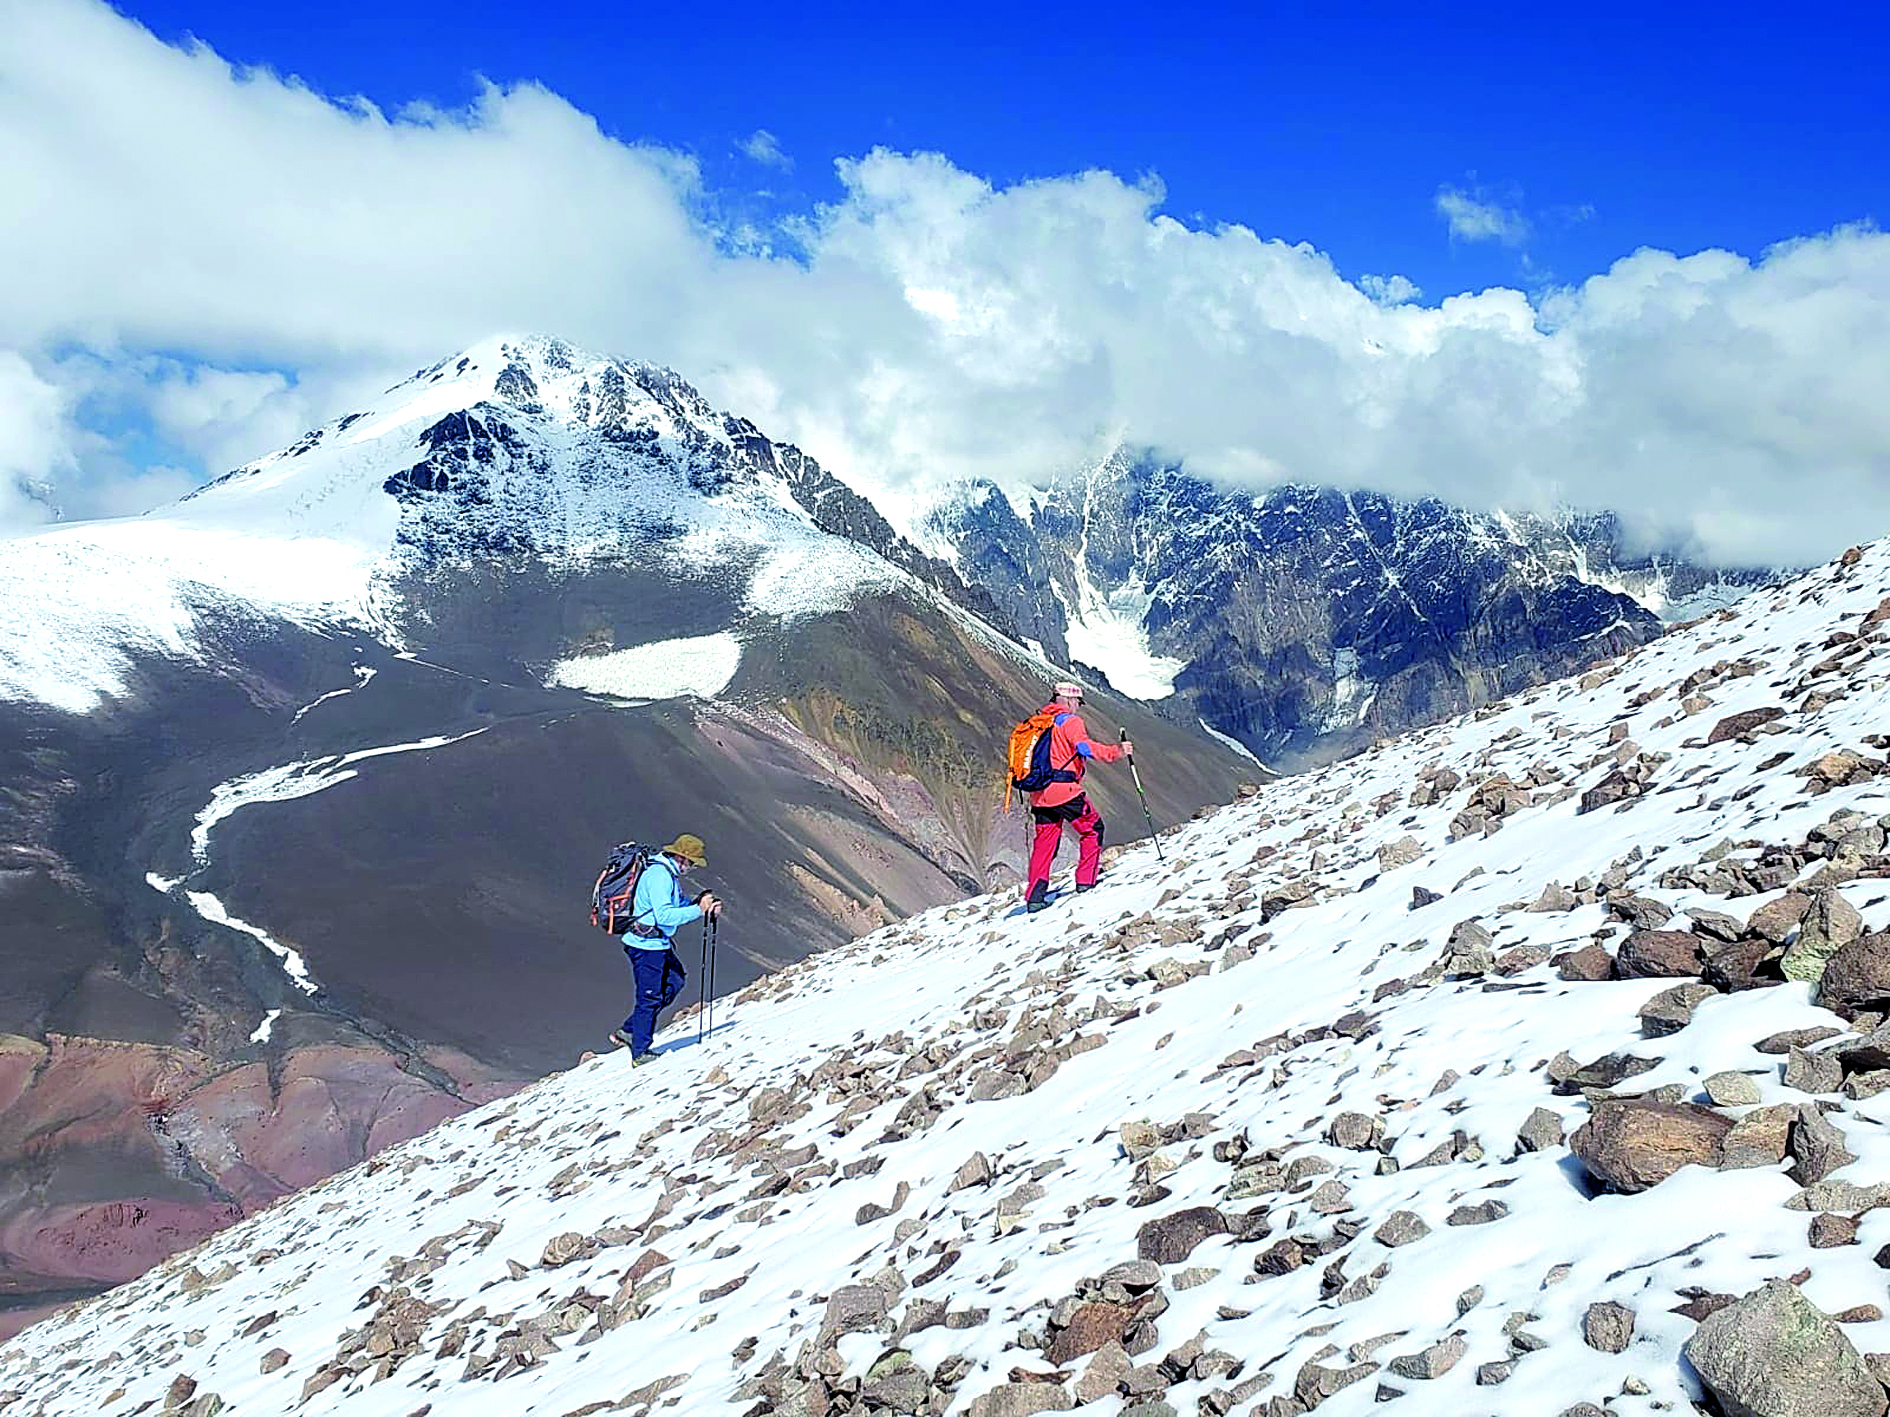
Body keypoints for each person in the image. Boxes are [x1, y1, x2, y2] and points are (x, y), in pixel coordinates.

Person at [609, 833, 722, 1064]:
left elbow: (675, 904)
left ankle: (630, 1030)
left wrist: (699, 903)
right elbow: (665, 915)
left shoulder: (666, 873)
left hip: (657, 944)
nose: (691, 868)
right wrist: (698, 910)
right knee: (649, 997)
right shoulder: (660, 876)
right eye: (692, 863)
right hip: (646, 947)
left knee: (675, 981)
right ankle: (640, 1052)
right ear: (682, 858)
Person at [1023, 682, 1131, 912]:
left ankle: (1034, 897)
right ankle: (1086, 881)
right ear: (1070, 700)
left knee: (1044, 843)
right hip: (1065, 791)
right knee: (1093, 829)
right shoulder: (1070, 722)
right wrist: (1117, 752)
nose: (1078, 707)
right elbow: (1085, 748)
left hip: (1039, 793)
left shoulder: (1038, 721)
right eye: (1078, 703)